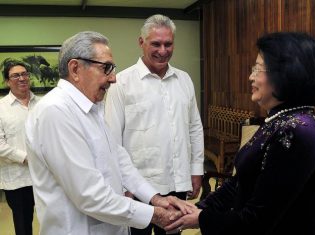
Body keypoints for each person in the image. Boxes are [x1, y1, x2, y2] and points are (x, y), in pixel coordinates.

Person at [25, 31, 194, 235]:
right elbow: (90, 195)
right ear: (75, 68)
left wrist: (155, 198)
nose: (113, 78)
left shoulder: (92, 108)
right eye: (106, 68)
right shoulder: (55, 112)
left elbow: (120, 160)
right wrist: (155, 214)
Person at [165, 32, 315, 235]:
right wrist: (199, 208)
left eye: (258, 69)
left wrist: (201, 218)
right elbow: (240, 182)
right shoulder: (280, 120)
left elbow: (258, 220)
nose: (251, 76)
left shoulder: (297, 132)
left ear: (286, 74)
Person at [104, 14, 204, 235]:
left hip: (177, 181)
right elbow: (112, 138)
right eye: (155, 44)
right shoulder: (122, 83)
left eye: (168, 44)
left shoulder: (184, 79)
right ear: (141, 43)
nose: (163, 50)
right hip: (139, 187)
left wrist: (196, 170)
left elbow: (194, 128)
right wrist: (122, 185)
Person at [0, 58, 40, 235]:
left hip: (46, 175)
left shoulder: (43, 104)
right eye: (15, 75)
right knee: (23, 225)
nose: (22, 78)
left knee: (53, 218)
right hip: (18, 178)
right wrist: (26, 157)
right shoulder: (1, 108)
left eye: (24, 74)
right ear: (7, 81)